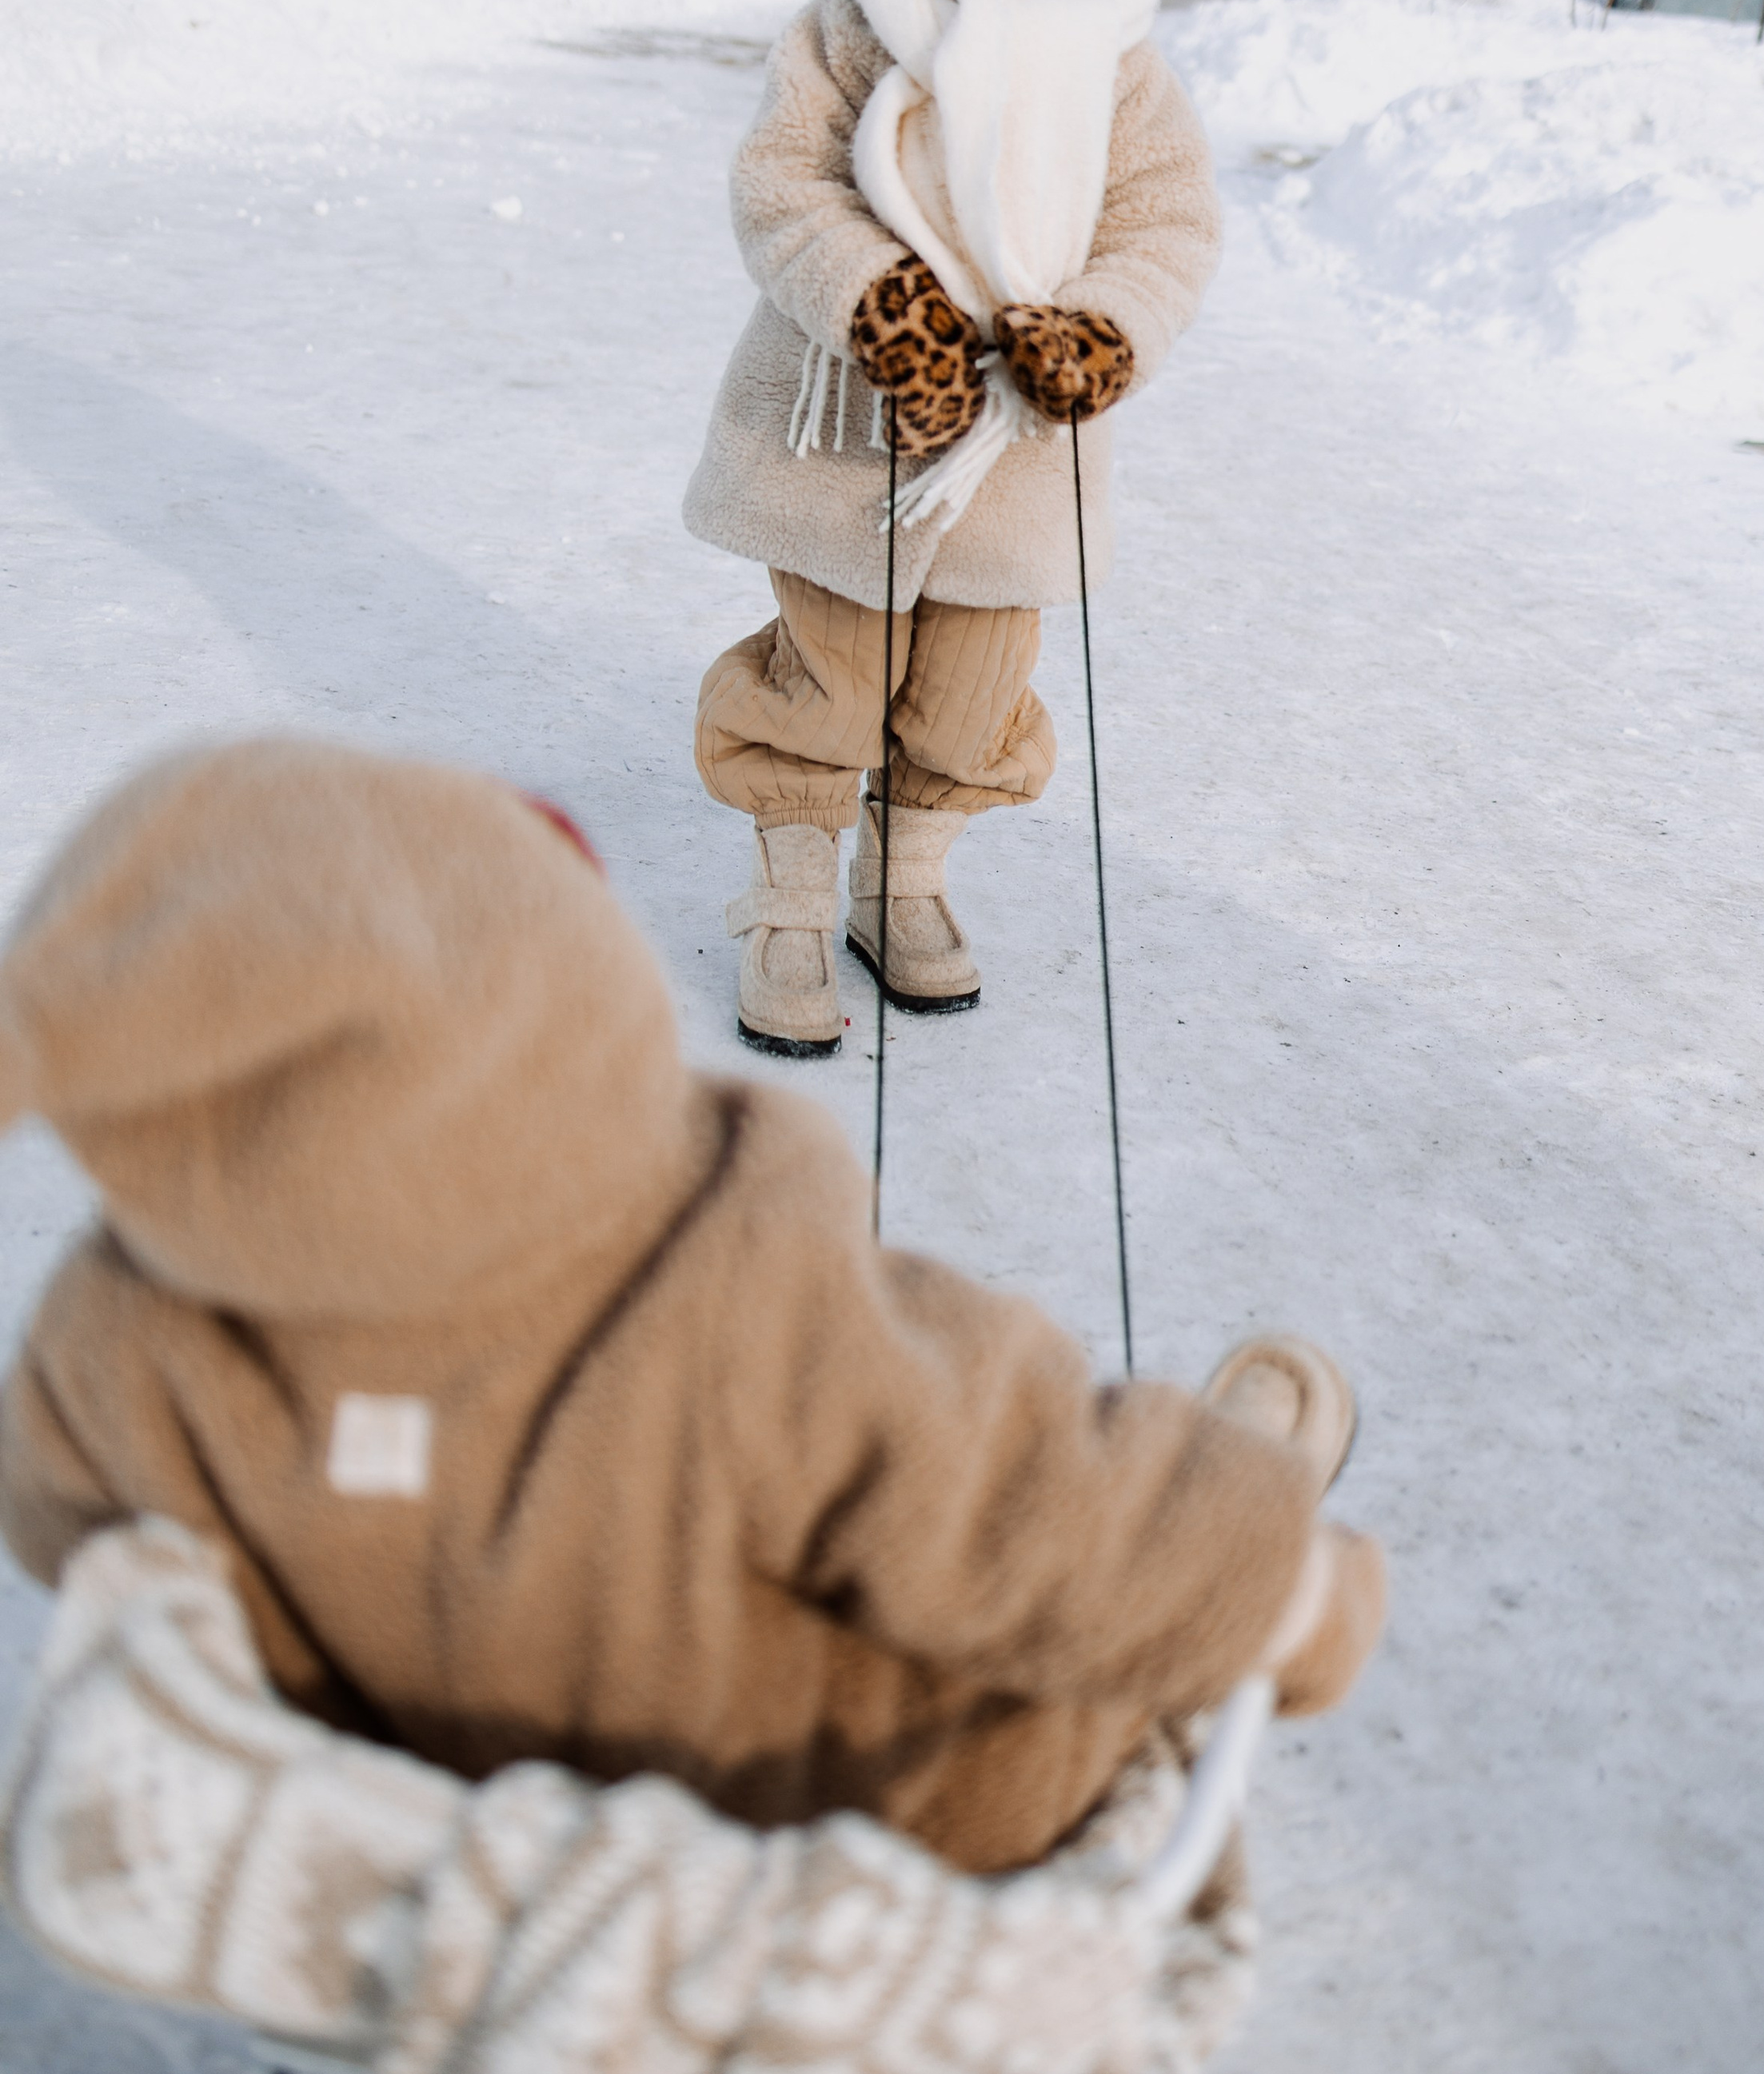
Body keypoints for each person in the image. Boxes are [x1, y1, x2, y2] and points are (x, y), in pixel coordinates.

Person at [0, 737, 1385, 1877]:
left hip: (459, 1887)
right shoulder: (707, 1278)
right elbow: (1007, 1494)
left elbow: (101, 1574)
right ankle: (1233, 1500)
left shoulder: (112, 1348)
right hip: (861, 1849)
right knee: (1046, 1535)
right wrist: (1301, 1601)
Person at [684, 0, 1231, 1053]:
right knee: (835, 670)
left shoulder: (1123, 65)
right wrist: (882, 308)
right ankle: (798, 895)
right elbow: (782, 187)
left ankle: (907, 879)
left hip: (1019, 453)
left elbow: (1165, 227)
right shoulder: (855, 26)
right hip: (852, 425)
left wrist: (1099, 331)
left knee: (972, 687)